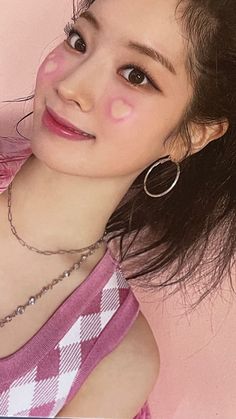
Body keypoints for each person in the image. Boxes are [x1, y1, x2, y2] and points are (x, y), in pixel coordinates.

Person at [0, 0, 235, 417]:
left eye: (136, 75)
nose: (73, 85)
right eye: (79, 41)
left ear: (192, 136)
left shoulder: (113, 360)